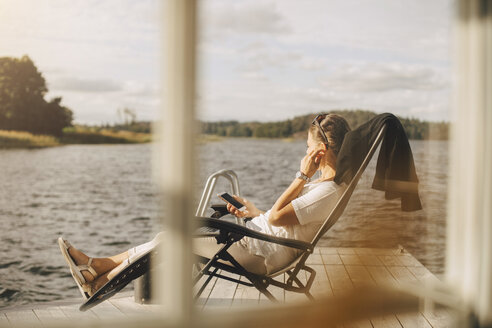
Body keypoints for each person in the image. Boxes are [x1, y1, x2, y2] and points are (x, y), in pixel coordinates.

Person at [58, 113, 351, 298]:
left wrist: (300, 176)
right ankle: (95, 271)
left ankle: (96, 276)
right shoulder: (323, 189)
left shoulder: (324, 191)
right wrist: (253, 212)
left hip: (258, 255)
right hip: (257, 241)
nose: (305, 153)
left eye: (307, 148)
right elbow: (281, 221)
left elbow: (277, 218)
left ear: (319, 152)